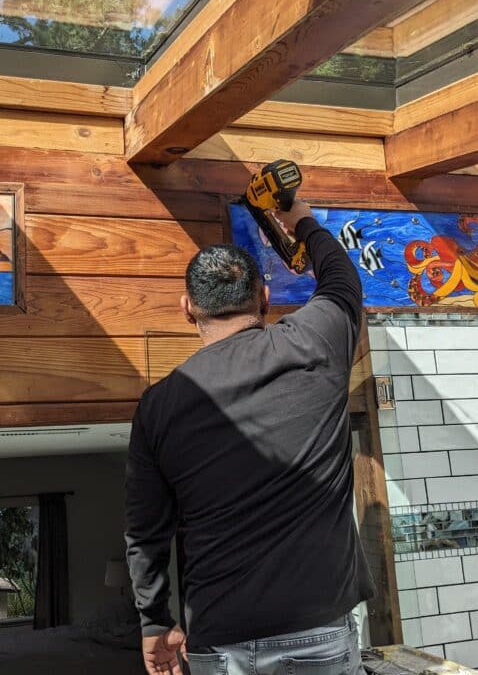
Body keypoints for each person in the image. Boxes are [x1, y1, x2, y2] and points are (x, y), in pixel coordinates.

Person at [125, 198, 374, 675]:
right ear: (264, 296)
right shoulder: (315, 341)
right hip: (318, 630)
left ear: (187, 309)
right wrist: (300, 219)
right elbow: (342, 280)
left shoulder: (158, 406)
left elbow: (145, 532)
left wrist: (154, 621)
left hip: (219, 640)